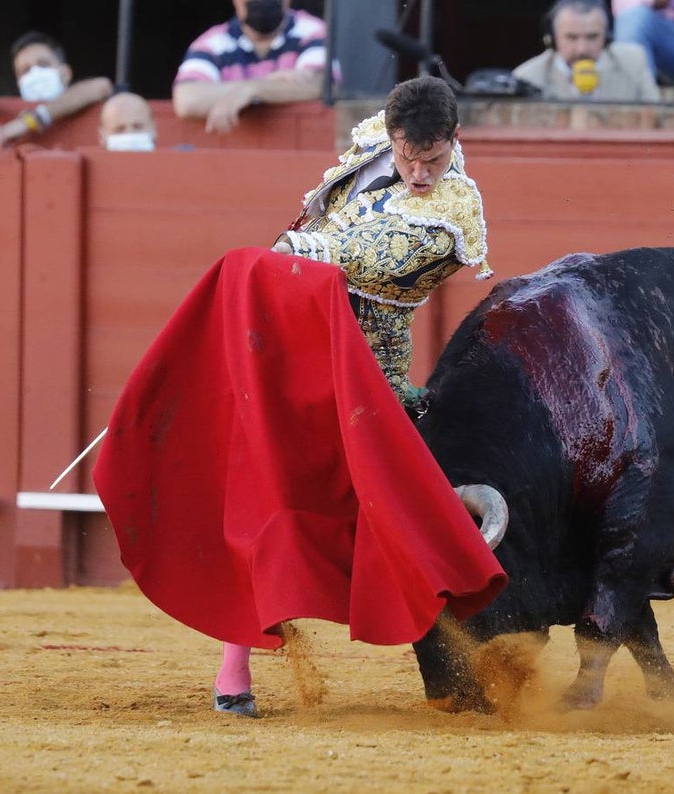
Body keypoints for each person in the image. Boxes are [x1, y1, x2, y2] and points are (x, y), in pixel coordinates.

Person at [199, 75, 495, 717]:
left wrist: (282, 256)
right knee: (262, 487)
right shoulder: (369, 150)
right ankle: (234, 666)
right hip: (301, 348)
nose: (419, 173)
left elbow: (359, 257)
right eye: (410, 157)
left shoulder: (455, 210)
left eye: (434, 159)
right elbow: (323, 216)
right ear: (392, 137)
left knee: (394, 518)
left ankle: (468, 660)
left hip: (367, 380)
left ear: (454, 141)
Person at [172, 0, 329, 134]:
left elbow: (319, 84)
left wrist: (252, 90)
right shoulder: (212, 42)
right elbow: (187, 100)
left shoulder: (314, 31)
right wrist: (262, 87)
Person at [513, 0, 661, 101]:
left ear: (607, 37)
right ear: (552, 38)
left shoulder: (634, 62)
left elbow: (656, 119)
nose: (582, 49)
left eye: (592, 37)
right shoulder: (527, 77)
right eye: (571, 37)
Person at [1, 31, 112, 144]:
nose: (35, 72)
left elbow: (102, 85)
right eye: (25, 70)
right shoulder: (6, 118)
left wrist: (33, 120)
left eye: (43, 64)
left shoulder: (85, 95)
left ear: (65, 74)